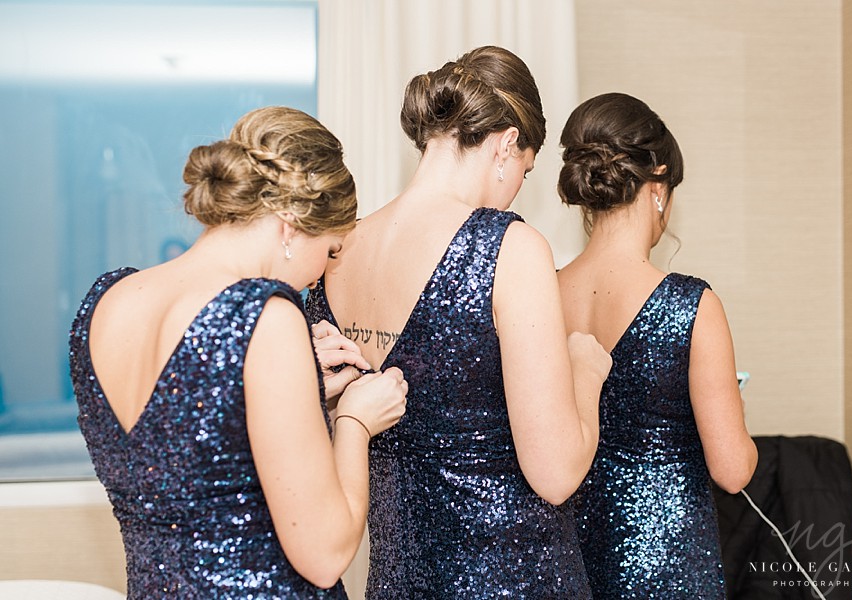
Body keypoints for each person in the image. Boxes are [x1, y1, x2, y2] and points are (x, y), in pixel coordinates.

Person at [305, 46, 611, 599]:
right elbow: (557, 473)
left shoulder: (338, 248)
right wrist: (584, 370)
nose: (519, 184)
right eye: (526, 168)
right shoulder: (509, 248)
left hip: (398, 580)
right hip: (513, 577)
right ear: (507, 144)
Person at [68, 106, 408, 598]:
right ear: (291, 224)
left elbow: (188, 444)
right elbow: (324, 554)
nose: (322, 272)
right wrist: (355, 421)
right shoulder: (267, 316)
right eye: (332, 250)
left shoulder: (107, 301)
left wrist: (297, 385)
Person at [556, 92, 758, 598]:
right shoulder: (692, 306)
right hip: (667, 568)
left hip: (568, 556)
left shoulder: (539, 295)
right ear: (659, 186)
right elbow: (732, 472)